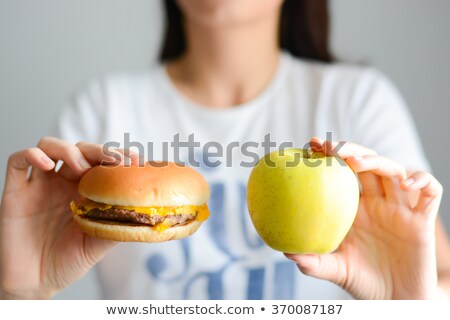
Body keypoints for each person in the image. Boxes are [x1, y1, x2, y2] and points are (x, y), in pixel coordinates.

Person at [1, 0, 449, 300]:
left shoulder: (358, 101)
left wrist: (407, 304)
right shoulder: (102, 108)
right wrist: (17, 294)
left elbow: (439, 280)